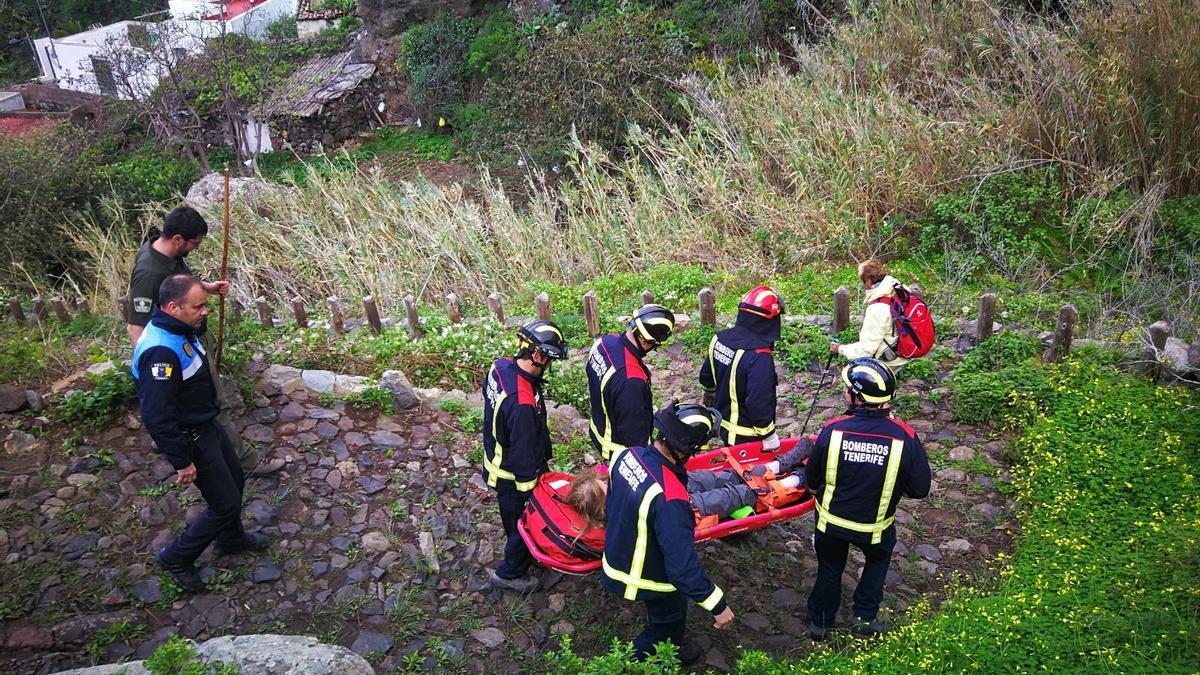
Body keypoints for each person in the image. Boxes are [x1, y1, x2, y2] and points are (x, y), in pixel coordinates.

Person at [133, 275, 269, 593]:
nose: (205, 311)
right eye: (199, 306)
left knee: (235, 478)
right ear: (172, 307)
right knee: (223, 503)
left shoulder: (179, 326)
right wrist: (182, 460)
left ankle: (232, 539)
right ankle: (177, 557)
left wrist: (204, 298)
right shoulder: (160, 353)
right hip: (192, 434)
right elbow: (156, 415)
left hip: (207, 423)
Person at [126, 206, 276, 476]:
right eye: (194, 243)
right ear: (178, 239)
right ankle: (246, 462)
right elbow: (135, 326)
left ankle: (169, 436)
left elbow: (175, 284)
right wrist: (150, 372)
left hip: (189, 339)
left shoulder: (169, 256)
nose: (195, 248)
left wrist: (205, 288)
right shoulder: (148, 272)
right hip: (178, 349)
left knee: (189, 401)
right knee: (215, 402)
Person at [600, 401, 736, 665]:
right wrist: (718, 605)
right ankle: (619, 665)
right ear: (686, 449)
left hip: (618, 550)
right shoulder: (670, 499)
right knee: (666, 625)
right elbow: (682, 568)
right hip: (644, 576)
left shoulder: (628, 455)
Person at [805, 358, 930, 640]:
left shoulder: (833, 429)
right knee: (877, 562)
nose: (844, 391)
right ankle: (864, 619)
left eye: (847, 388)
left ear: (857, 397)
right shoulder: (906, 437)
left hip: (830, 522)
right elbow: (920, 488)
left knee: (830, 568)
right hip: (875, 528)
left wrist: (816, 492)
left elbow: (812, 477)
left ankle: (820, 622)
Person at [483, 319, 568, 593]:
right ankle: (510, 573)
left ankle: (521, 552)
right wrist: (532, 493)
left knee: (512, 518)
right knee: (526, 521)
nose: (549, 367)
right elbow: (523, 454)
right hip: (513, 472)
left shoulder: (501, 367)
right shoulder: (521, 403)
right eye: (549, 360)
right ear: (537, 355)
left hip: (497, 459)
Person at [587, 304, 675, 462]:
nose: (652, 350)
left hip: (599, 427)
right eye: (653, 345)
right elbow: (634, 435)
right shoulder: (631, 380)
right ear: (643, 339)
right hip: (617, 449)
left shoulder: (604, 342)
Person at [700, 285, 783, 449]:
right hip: (747, 438)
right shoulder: (760, 356)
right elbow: (758, 401)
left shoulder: (719, 339)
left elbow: (707, 379)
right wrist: (768, 435)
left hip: (722, 427)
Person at [829, 259, 909, 372]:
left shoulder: (877, 308)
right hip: (908, 350)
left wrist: (841, 349)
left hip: (892, 360)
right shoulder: (901, 290)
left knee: (851, 380)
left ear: (868, 281)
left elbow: (867, 350)